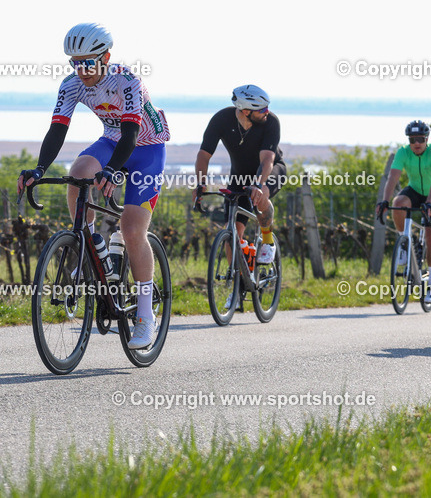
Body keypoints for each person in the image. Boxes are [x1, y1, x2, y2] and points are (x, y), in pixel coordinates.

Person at [16, 23, 170, 350]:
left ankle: (145, 315)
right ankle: (88, 243)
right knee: (79, 171)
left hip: (147, 148)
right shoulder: (72, 85)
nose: (81, 70)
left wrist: (113, 171)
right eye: (75, 62)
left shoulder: (127, 81)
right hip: (112, 140)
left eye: (88, 62)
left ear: (106, 57)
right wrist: (40, 168)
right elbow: (57, 129)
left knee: (131, 230)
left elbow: (131, 133)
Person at [194, 85, 287, 311]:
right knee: (231, 234)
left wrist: (259, 183)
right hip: (238, 176)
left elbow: (267, 159)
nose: (266, 111)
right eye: (261, 109)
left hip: (271, 171)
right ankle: (237, 288)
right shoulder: (221, 120)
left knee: (261, 194)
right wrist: (200, 185)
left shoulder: (271, 122)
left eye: (267, 107)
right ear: (245, 111)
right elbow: (204, 155)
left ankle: (267, 240)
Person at [375, 120, 431, 304]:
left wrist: (430, 203)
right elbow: (393, 176)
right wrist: (385, 200)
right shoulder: (403, 152)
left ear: (426, 139)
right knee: (399, 202)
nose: (416, 143)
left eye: (420, 139)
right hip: (414, 190)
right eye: (412, 139)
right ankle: (404, 243)